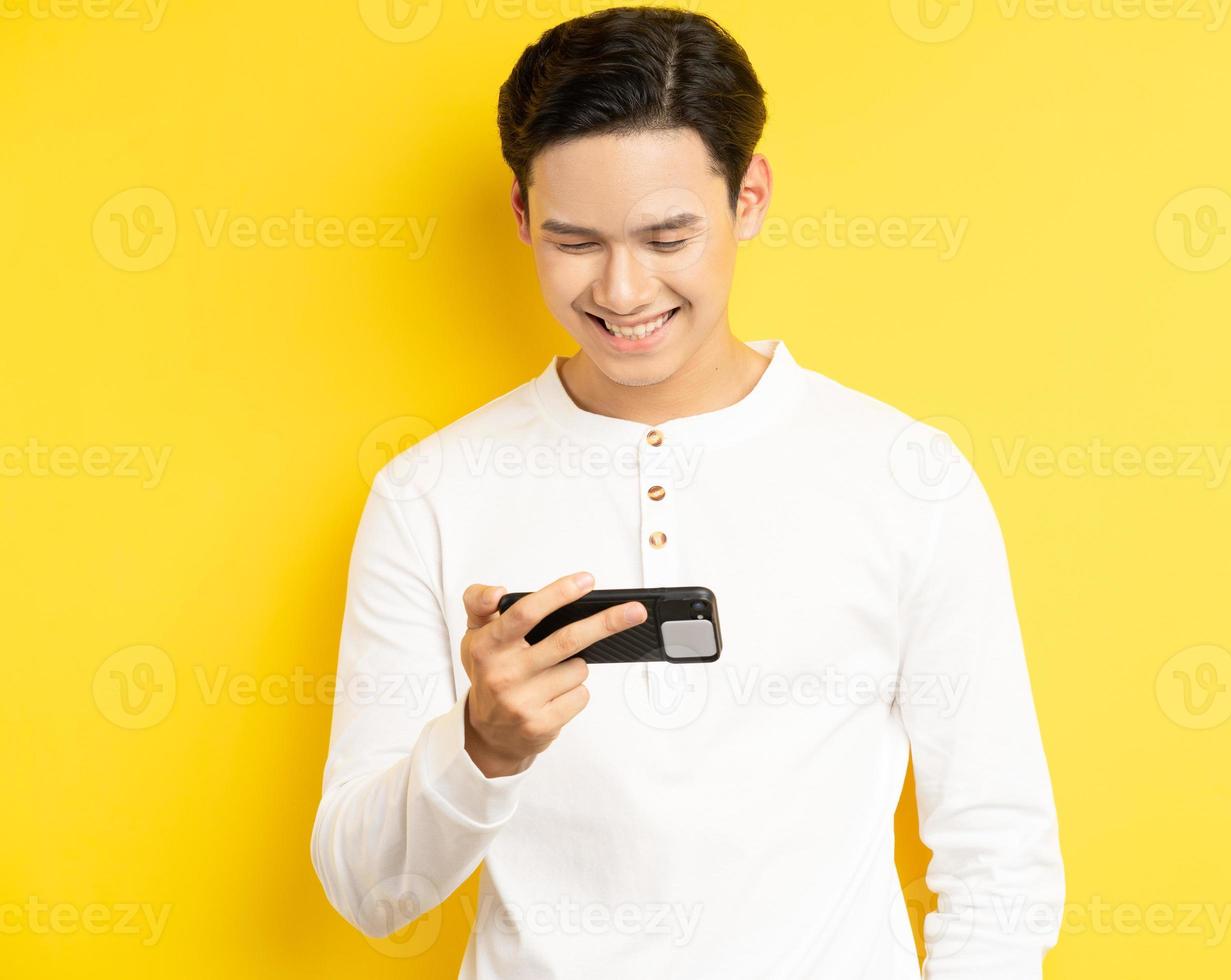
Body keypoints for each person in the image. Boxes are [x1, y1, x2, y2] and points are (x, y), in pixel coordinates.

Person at [310, 6, 1064, 977]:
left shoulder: (905, 477)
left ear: (749, 197)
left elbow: (1000, 856)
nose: (623, 292)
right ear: (521, 216)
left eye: (669, 236)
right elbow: (370, 889)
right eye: (574, 240)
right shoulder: (430, 495)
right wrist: (480, 745)